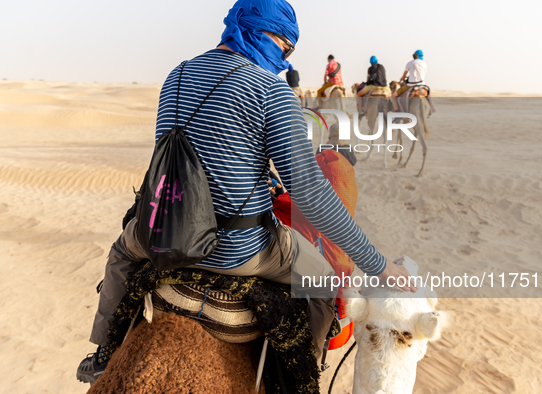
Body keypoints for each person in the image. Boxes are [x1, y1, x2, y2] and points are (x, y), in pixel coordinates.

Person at [77, 0, 417, 385]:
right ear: (260, 32)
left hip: (160, 236)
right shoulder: (272, 91)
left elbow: (182, 161)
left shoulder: (177, 75)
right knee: (321, 278)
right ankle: (303, 378)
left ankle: (103, 355)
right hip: (239, 251)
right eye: (284, 45)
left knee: (121, 252)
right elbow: (311, 195)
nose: (285, 58)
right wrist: (379, 265)